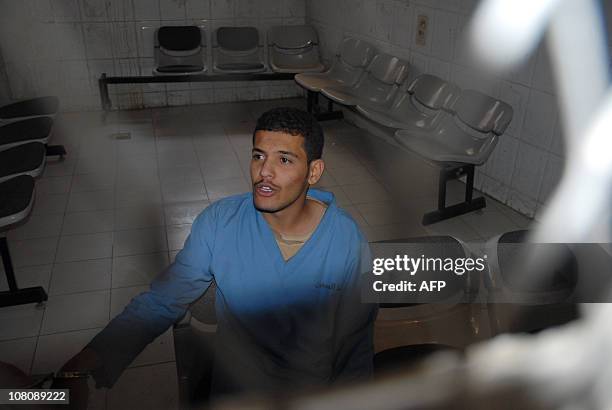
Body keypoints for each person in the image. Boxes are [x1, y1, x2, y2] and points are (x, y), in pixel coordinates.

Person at [58, 107, 377, 401]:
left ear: (313, 171)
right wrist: (84, 361)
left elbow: (355, 345)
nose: (264, 172)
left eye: (284, 160)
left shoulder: (346, 240)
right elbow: (162, 300)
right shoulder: (220, 223)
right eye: (258, 156)